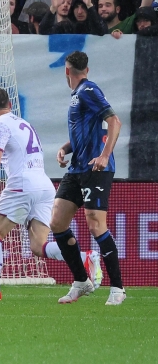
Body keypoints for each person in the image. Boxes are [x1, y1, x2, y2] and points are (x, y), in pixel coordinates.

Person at [0, 88, 101, 301]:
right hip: (43, 186)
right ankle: (85, 257)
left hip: (22, 185)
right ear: (10, 104)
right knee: (38, 246)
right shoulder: (24, 124)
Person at [52, 51, 125, 305]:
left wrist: (105, 155)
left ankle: (117, 288)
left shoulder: (88, 90)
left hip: (96, 168)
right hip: (77, 168)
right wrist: (65, 148)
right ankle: (82, 281)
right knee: (57, 221)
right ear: (87, 69)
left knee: (96, 224)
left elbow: (115, 121)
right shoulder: (79, 95)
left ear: (66, 71)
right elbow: (83, 133)